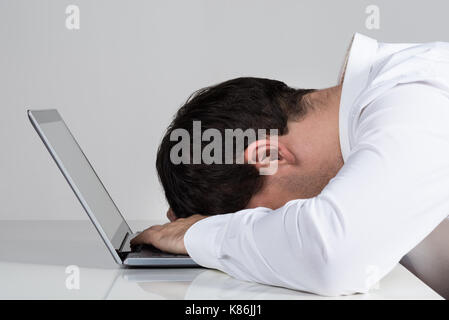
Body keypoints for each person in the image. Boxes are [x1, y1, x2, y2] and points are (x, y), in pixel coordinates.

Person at [131, 33, 449, 296]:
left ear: (269, 156)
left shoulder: (415, 95)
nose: (275, 227)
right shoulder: (383, 104)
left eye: (264, 218)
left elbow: (335, 255)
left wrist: (202, 236)